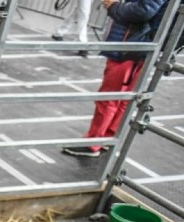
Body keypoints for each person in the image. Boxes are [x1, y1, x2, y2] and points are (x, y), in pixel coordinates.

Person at [62, 0, 169, 157]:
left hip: (131, 46)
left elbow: (143, 10)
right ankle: (107, 138)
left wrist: (113, 6)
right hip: (140, 47)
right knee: (122, 99)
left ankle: (93, 143)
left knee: (109, 97)